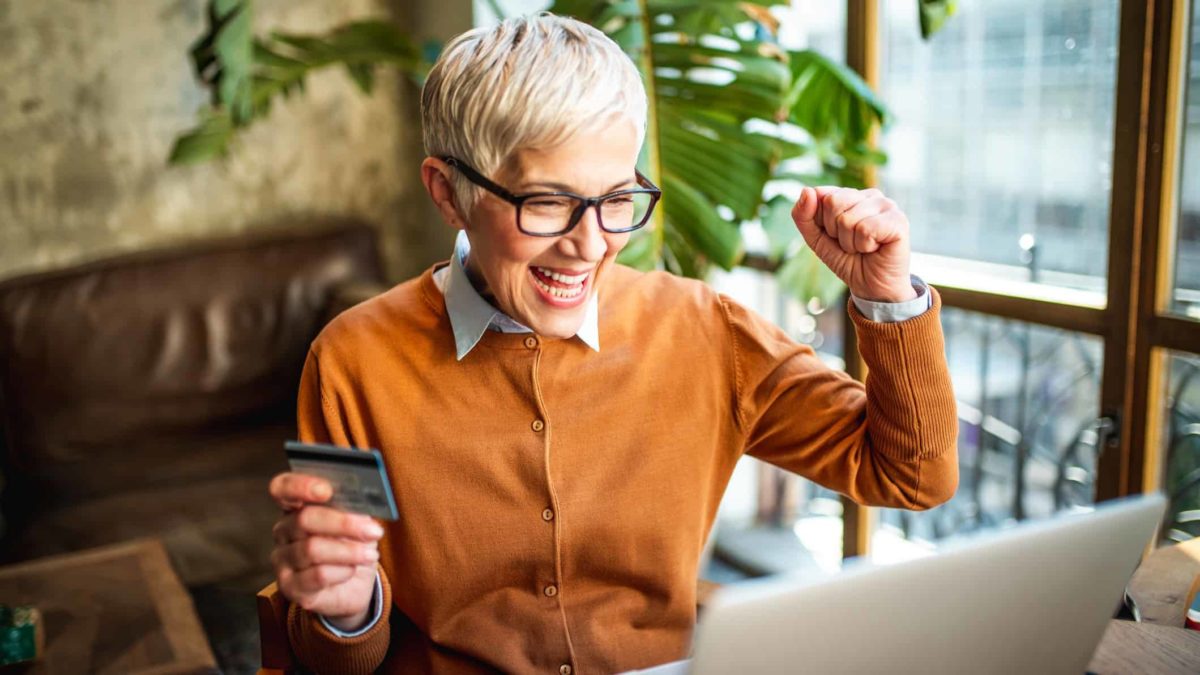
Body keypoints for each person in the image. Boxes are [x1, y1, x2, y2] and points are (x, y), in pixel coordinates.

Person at [267, 12, 958, 675]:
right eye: (546, 202)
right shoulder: (353, 361)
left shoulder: (704, 329)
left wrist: (887, 297)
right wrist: (346, 611)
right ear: (448, 193)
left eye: (617, 199)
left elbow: (910, 475)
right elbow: (335, 662)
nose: (591, 244)